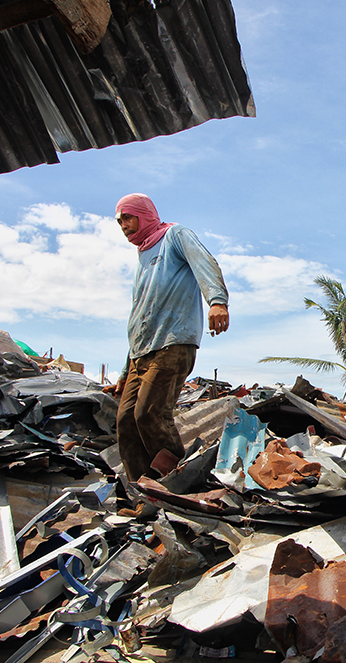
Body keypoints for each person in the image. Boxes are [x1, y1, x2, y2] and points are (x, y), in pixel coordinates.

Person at [103, 193, 230, 481]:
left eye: (128, 217)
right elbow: (140, 316)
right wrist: (125, 371)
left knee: (149, 414)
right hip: (141, 353)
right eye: (119, 221)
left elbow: (205, 262)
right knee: (125, 421)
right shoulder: (143, 256)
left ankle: (182, 482)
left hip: (172, 342)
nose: (123, 225)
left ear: (144, 215)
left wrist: (217, 301)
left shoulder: (174, 235)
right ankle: (143, 488)